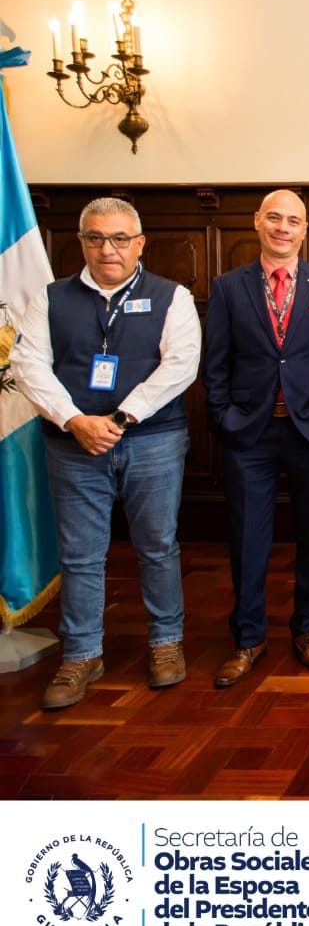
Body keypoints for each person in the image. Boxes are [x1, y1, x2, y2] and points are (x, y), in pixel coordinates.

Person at [9, 196, 200, 709]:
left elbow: (181, 364)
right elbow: (28, 364)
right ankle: (81, 654)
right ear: (81, 242)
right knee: (80, 554)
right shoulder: (50, 298)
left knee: (158, 546)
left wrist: (119, 419)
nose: (108, 249)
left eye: (119, 239)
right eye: (96, 238)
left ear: (139, 244)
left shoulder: (172, 296)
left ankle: (166, 642)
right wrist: (75, 421)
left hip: (153, 441)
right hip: (72, 445)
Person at [203, 189, 309, 687]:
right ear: (257, 222)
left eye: (293, 220)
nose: (283, 227)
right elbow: (215, 364)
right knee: (248, 539)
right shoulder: (228, 287)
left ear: (305, 229)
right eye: (274, 218)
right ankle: (248, 638)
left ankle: (307, 630)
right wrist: (224, 419)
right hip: (250, 433)